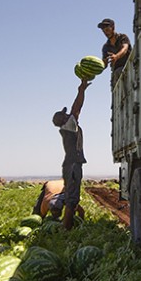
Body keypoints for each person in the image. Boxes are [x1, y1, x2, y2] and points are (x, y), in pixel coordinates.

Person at [52, 79, 90, 229]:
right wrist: (81, 90)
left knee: (71, 196)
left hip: (70, 165)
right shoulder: (68, 126)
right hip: (73, 165)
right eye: (65, 114)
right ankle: (65, 230)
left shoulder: (68, 127)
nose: (68, 114)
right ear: (62, 120)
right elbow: (77, 108)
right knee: (71, 199)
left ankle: (69, 223)